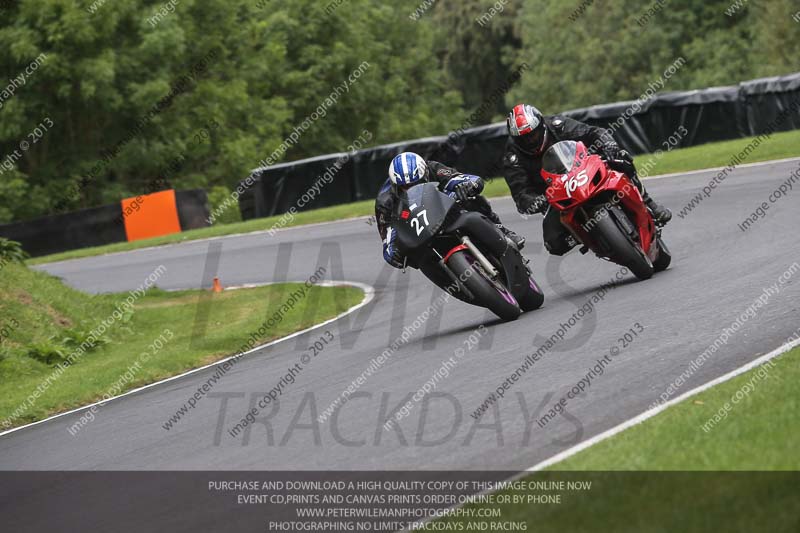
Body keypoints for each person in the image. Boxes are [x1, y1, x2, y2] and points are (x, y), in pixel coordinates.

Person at [503, 104, 672, 256]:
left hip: (584, 170)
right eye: (523, 139)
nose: (530, 141)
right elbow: (520, 195)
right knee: (555, 244)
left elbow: (593, 132)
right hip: (556, 197)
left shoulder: (558, 126)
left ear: (541, 125)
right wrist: (537, 201)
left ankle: (650, 204)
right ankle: (588, 236)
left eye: (533, 135)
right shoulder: (513, 157)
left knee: (621, 160)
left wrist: (608, 145)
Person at [375, 152, 524, 268]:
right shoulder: (384, 201)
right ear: (395, 185)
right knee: (410, 256)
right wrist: (391, 252)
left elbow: (463, 178)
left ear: (425, 175)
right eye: (405, 187)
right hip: (417, 228)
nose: (411, 189)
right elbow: (387, 235)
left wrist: (467, 186)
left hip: (442, 208)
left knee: (472, 199)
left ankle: (503, 231)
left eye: (416, 184)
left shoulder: (432, 168)